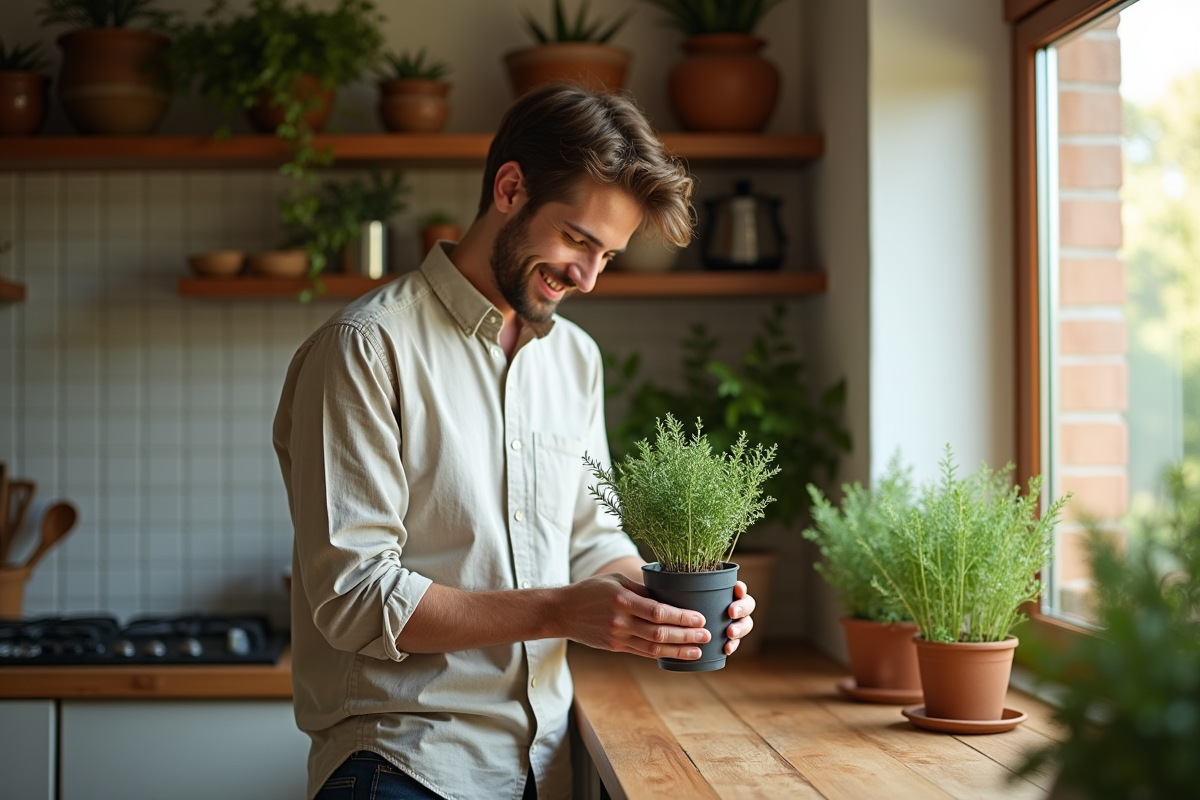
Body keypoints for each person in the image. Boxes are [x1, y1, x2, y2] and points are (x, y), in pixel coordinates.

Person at [273, 84, 757, 800]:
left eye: (608, 256)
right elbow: (355, 596)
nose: (587, 277)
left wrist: (669, 608)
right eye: (577, 240)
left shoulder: (573, 359)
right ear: (509, 189)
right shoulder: (367, 347)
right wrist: (562, 610)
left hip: (541, 765)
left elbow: (590, 538)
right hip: (400, 764)